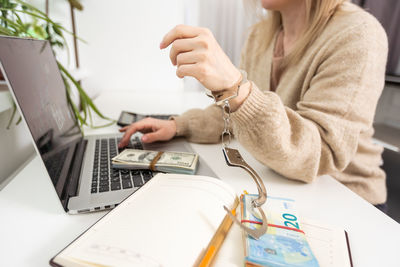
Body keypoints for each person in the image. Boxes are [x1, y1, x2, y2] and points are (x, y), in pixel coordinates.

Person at [118, 0, 388, 210]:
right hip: (280, 188)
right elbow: (234, 112)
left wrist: (236, 87)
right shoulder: (261, 35)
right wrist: (178, 125)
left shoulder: (359, 33)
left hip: (347, 203)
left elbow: (321, 153)